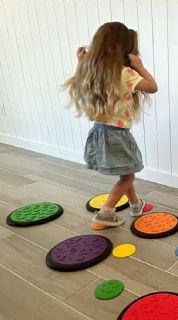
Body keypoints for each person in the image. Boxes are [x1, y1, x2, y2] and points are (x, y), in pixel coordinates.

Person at [63, 22, 158, 226]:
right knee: (127, 176)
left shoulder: (94, 71)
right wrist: (139, 66)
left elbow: (78, 82)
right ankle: (106, 213)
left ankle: (135, 205)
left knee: (127, 172)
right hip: (117, 135)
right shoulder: (126, 73)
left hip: (99, 132)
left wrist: (80, 62)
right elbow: (152, 87)